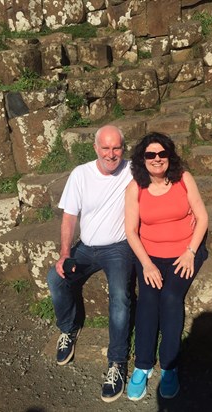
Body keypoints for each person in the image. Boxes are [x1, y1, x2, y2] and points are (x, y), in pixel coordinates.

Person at [47, 124, 134, 403]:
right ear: (95, 148)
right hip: (85, 248)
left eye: (116, 147)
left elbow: (164, 171)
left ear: (123, 148)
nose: (111, 154)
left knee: (120, 296)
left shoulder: (132, 170)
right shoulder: (80, 175)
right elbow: (69, 218)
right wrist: (65, 253)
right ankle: (68, 328)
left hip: (118, 248)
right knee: (56, 278)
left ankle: (117, 362)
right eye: (105, 148)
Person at [125, 132, 208, 401]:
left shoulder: (183, 179)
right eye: (151, 155)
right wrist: (146, 265)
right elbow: (130, 231)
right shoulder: (135, 187)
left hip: (184, 251)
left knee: (171, 297)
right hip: (150, 255)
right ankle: (143, 365)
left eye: (162, 153)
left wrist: (190, 252)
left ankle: (169, 367)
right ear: (142, 159)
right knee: (148, 299)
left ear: (169, 155)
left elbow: (202, 216)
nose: (157, 159)